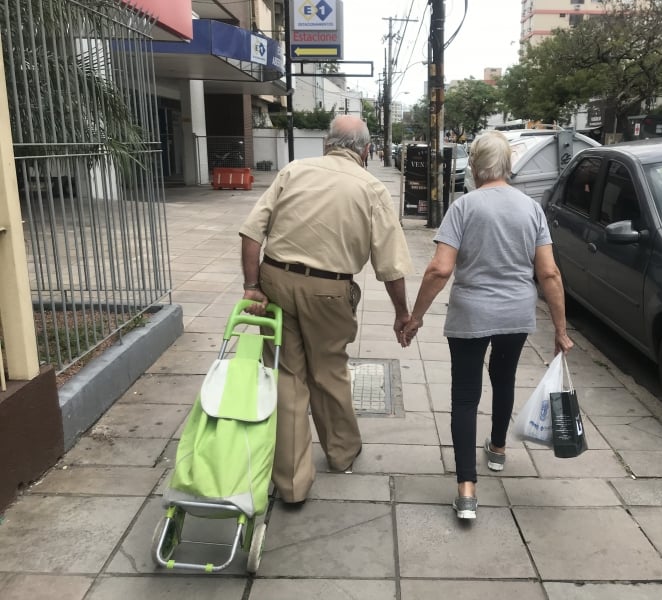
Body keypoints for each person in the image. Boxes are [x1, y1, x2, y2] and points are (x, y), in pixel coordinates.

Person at [239, 115, 413, 504]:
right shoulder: (371, 188)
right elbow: (391, 266)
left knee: (287, 377)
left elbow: (252, 232)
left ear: (326, 144)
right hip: (329, 291)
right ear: (366, 151)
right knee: (329, 371)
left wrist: (252, 286)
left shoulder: (294, 171)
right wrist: (402, 314)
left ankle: (292, 483)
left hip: (276, 281)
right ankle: (341, 453)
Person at [400, 130, 573, 520]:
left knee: (464, 396)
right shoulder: (531, 209)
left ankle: (466, 490)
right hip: (516, 313)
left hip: (471, 312)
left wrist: (416, 317)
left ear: (475, 167)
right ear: (508, 166)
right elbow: (549, 273)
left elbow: (439, 269)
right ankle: (497, 449)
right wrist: (560, 331)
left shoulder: (464, 207)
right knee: (504, 377)